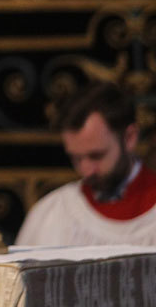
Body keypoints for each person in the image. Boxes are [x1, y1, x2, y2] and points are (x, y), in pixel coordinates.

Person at [16, 81, 156, 246]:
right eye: (76, 158)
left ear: (129, 138)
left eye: (96, 156)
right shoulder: (53, 214)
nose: (86, 170)